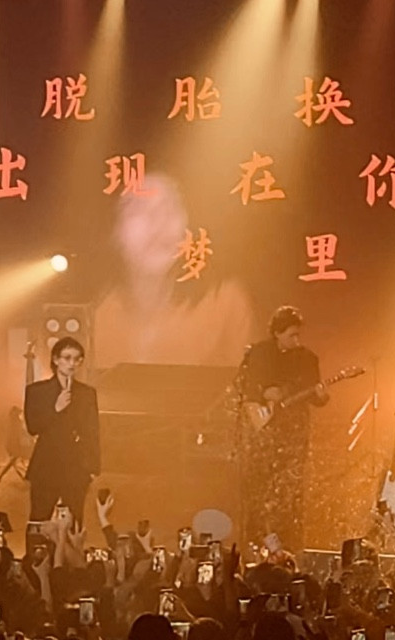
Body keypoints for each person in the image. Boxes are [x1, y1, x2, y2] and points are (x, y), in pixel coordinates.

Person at [94, 173, 254, 368]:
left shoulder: (224, 303)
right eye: (138, 207)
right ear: (113, 230)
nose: (159, 221)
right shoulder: (90, 313)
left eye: (170, 207)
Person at [237, 305, 328, 551]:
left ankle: (289, 546)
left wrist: (321, 396)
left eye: (298, 335)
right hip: (263, 431)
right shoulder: (259, 353)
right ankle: (257, 542)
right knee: (260, 487)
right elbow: (245, 388)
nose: (296, 340)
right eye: (291, 335)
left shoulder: (307, 359)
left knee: (290, 488)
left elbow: (315, 396)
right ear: (277, 332)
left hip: (293, 431)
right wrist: (264, 393)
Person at [24, 336, 100, 523]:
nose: (72, 363)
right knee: (39, 521)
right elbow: (33, 427)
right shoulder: (36, 391)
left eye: (77, 359)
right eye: (67, 358)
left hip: (76, 467)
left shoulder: (87, 393)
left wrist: (92, 467)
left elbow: (92, 432)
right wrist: (55, 409)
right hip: (46, 465)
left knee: (74, 523)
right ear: (56, 360)